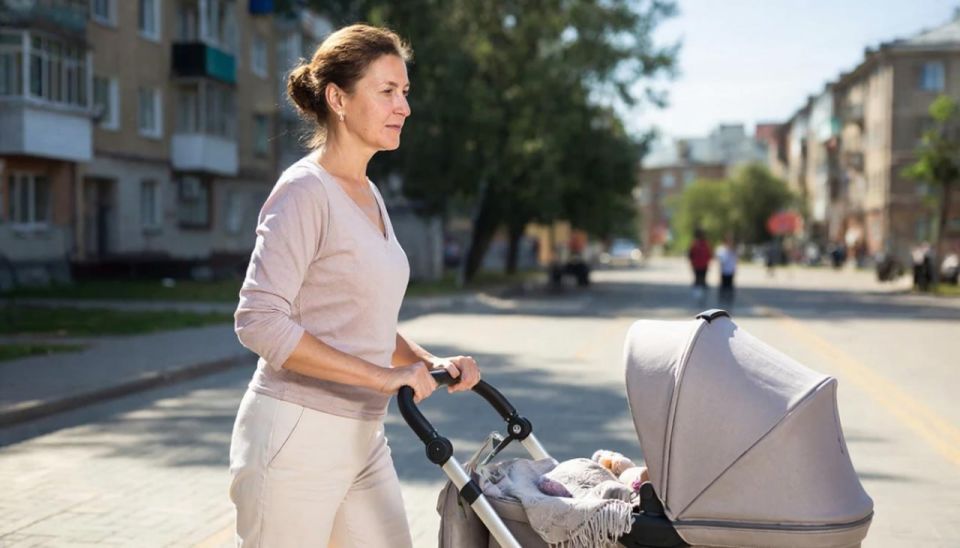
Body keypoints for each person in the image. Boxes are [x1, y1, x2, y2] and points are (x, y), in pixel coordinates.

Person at [228, 24, 481, 547]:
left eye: (405, 92)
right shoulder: (305, 191)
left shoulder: (368, 192)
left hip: (363, 436)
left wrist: (429, 362)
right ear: (338, 99)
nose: (404, 107)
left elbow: (364, 322)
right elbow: (258, 321)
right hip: (295, 435)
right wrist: (379, 377)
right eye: (387, 91)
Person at [688, 228, 712, 304]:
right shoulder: (698, 243)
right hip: (699, 265)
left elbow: (709, 254)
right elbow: (690, 254)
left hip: (701, 265)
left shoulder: (699, 243)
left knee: (700, 280)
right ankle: (699, 297)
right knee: (699, 280)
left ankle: (700, 297)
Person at [716, 236, 737, 307]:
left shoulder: (734, 251)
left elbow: (735, 261)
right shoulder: (721, 250)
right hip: (724, 271)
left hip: (730, 271)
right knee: (723, 286)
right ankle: (722, 300)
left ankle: (729, 300)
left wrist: (734, 270)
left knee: (730, 286)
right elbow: (721, 262)